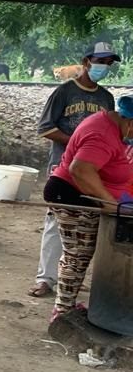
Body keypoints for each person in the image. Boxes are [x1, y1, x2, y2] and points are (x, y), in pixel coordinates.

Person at [28, 42, 118, 298]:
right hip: (63, 167)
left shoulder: (106, 98)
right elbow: (45, 128)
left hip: (93, 171)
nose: (104, 66)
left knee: (87, 223)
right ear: (86, 61)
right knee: (56, 222)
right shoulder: (64, 92)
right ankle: (46, 278)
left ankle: (72, 275)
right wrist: (79, 143)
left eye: (109, 63)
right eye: (100, 61)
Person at [43, 95, 133, 321]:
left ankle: (67, 305)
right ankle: (62, 312)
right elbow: (81, 170)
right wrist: (109, 203)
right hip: (71, 194)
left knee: (79, 253)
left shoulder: (110, 124)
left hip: (84, 194)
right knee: (78, 254)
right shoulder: (102, 134)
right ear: (130, 122)